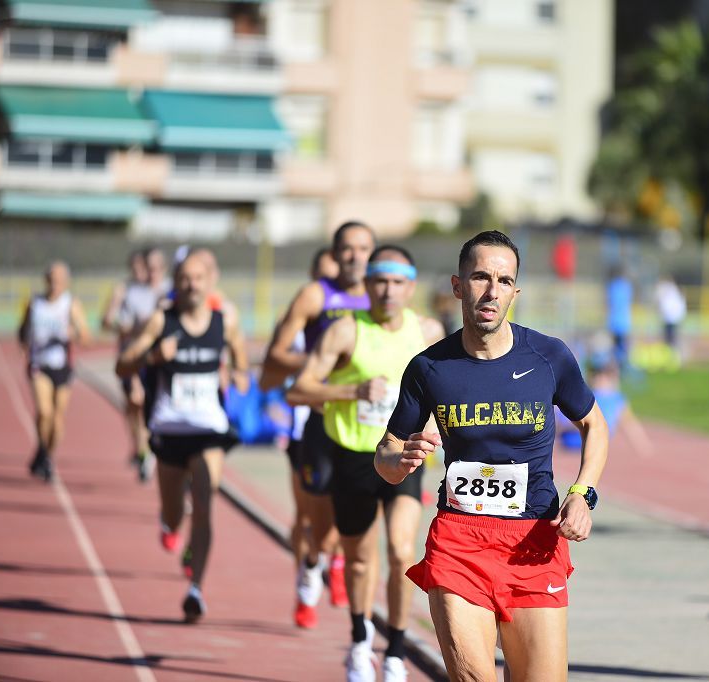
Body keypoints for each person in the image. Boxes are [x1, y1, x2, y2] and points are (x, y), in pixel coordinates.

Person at [376, 230, 609, 682]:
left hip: (534, 541)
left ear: (515, 291)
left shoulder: (548, 357)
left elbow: (593, 425)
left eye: (504, 280)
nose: (492, 290)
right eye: (480, 277)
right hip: (459, 541)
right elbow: (384, 456)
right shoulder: (428, 368)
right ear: (458, 285)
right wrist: (398, 459)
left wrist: (583, 493)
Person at [289, 245, 444, 681]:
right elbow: (299, 390)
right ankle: (360, 641)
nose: (388, 290)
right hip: (354, 457)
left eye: (397, 282)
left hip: (404, 458)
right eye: (380, 281)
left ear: (410, 287)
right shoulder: (344, 332)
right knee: (358, 561)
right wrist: (352, 392)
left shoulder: (428, 331)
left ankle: (394, 652)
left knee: (399, 552)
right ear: (367, 284)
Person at [116, 250, 248, 623]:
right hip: (169, 430)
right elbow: (122, 365)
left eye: (197, 278)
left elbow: (240, 359)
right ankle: (170, 522)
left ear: (210, 283)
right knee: (176, 515)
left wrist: (236, 375)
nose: (191, 285)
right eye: (184, 278)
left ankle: (196, 590)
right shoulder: (161, 321)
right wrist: (154, 355)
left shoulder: (225, 321)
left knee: (206, 505)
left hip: (209, 431)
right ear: (176, 283)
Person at [261, 222, 376, 628]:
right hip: (316, 418)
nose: (355, 256)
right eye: (347, 248)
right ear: (336, 252)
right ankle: (314, 561)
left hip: (366, 426)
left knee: (354, 517)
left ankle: (338, 560)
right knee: (316, 518)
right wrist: (321, 364)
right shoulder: (315, 295)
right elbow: (274, 357)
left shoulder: (383, 296)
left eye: (364, 248)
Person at [258, 246, 344, 612]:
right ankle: (306, 574)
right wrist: (313, 361)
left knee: (346, 506)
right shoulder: (294, 321)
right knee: (307, 514)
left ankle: (335, 558)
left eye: (333, 276)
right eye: (321, 276)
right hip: (302, 428)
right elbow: (267, 376)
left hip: (345, 424)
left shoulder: (354, 319)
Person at [19, 261, 93, 482]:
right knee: (44, 412)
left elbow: (87, 339)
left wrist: (74, 333)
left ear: (66, 282)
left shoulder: (71, 304)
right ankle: (42, 447)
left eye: (59, 280)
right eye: (51, 279)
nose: (55, 284)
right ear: (46, 280)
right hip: (39, 365)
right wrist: (25, 344)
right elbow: (22, 332)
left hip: (62, 366)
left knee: (58, 419)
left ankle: (47, 456)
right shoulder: (35, 303)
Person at [104, 247, 169, 481]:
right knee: (134, 403)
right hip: (133, 357)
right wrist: (138, 327)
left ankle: (147, 450)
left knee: (148, 407)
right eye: (147, 268)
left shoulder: (171, 291)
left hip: (159, 362)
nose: (151, 273)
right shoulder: (131, 293)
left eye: (156, 269)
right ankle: (141, 450)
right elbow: (113, 323)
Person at [606, 265, 633, 370]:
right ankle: (623, 365)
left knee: (616, 346)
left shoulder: (612, 286)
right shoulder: (626, 286)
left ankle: (618, 366)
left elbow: (609, 303)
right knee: (623, 345)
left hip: (614, 321)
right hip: (624, 321)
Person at [655, 274, 687, 357]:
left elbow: (663, 303)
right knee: (671, 340)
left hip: (670, 318)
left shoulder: (668, 289)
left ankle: (671, 356)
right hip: (672, 318)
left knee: (670, 340)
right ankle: (671, 356)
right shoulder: (674, 290)